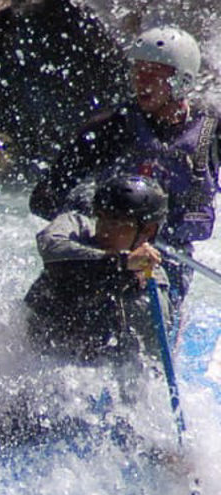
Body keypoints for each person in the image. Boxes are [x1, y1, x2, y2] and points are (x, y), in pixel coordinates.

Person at [30, 24, 218, 309]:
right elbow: (43, 198)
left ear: (182, 82)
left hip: (168, 257)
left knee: (143, 303)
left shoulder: (210, 134)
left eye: (153, 75)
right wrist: (99, 212)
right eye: (137, 72)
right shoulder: (110, 128)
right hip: (105, 249)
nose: (141, 81)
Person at [24, 173, 172, 364]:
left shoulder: (152, 284)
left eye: (118, 222)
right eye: (101, 217)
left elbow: (152, 358)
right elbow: (52, 251)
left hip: (93, 365)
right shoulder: (75, 227)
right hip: (36, 349)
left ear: (148, 230)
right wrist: (121, 263)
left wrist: (129, 278)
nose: (104, 229)